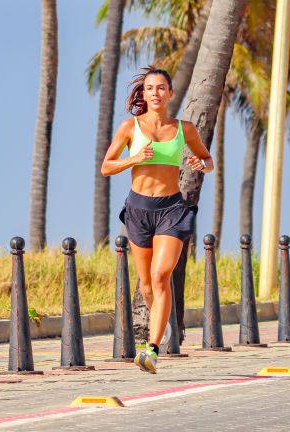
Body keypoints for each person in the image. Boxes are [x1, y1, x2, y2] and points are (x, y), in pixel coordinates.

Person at [101, 66, 213, 374]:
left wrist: (198, 163)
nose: (155, 93)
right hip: (138, 209)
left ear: (170, 93)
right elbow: (106, 167)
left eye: (161, 88)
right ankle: (160, 322)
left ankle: (151, 350)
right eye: (150, 88)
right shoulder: (129, 127)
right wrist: (134, 158)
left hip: (172, 209)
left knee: (162, 275)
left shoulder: (184, 129)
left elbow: (208, 161)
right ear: (145, 93)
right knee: (148, 285)